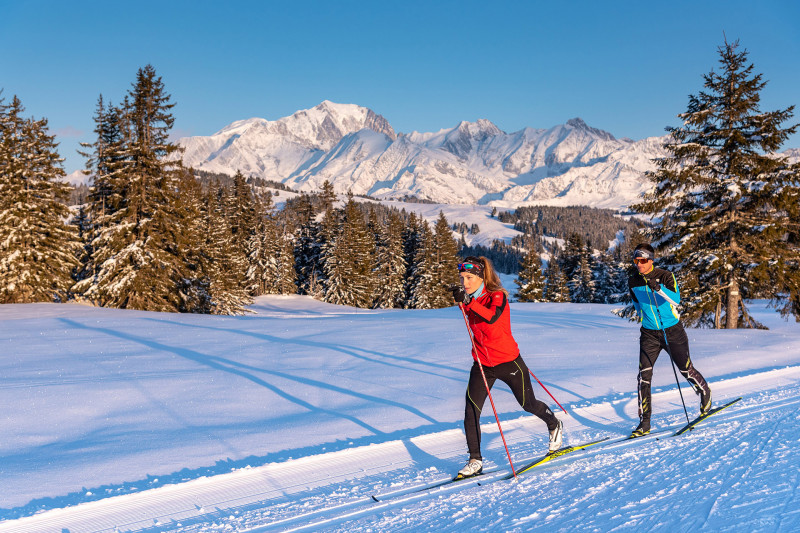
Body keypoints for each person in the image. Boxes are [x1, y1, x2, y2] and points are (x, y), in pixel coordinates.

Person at [450, 255, 563, 479]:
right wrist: (464, 302)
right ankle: (475, 460)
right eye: (462, 278)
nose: (465, 283)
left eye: (470, 277)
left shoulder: (497, 296)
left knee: (527, 404)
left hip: (508, 361)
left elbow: (492, 317)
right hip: (482, 364)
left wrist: (469, 303)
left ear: (482, 276)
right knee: (471, 412)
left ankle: (554, 423)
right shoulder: (468, 298)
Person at [628, 243, 712, 437]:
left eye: (642, 261)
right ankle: (644, 422)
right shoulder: (632, 280)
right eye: (636, 261)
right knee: (643, 376)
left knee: (685, 369)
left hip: (672, 331)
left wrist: (658, 289)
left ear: (651, 260)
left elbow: (676, 300)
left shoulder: (666, 276)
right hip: (649, 334)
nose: (639, 264)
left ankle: (704, 390)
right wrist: (645, 318)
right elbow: (637, 304)